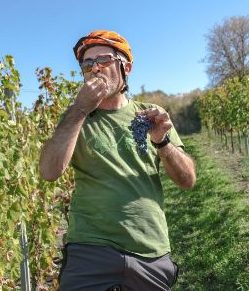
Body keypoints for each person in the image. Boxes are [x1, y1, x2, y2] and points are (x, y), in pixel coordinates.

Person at [39, 30, 196, 290]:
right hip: (90, 251)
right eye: (87, 64)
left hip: (150, 250)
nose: (95, 68)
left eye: (104, 60)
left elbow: (187, 180)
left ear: (127, 67)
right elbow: (49, 171)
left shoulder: (150, 116)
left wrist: (162, 142)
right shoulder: (75, 118)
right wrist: (80, 108)